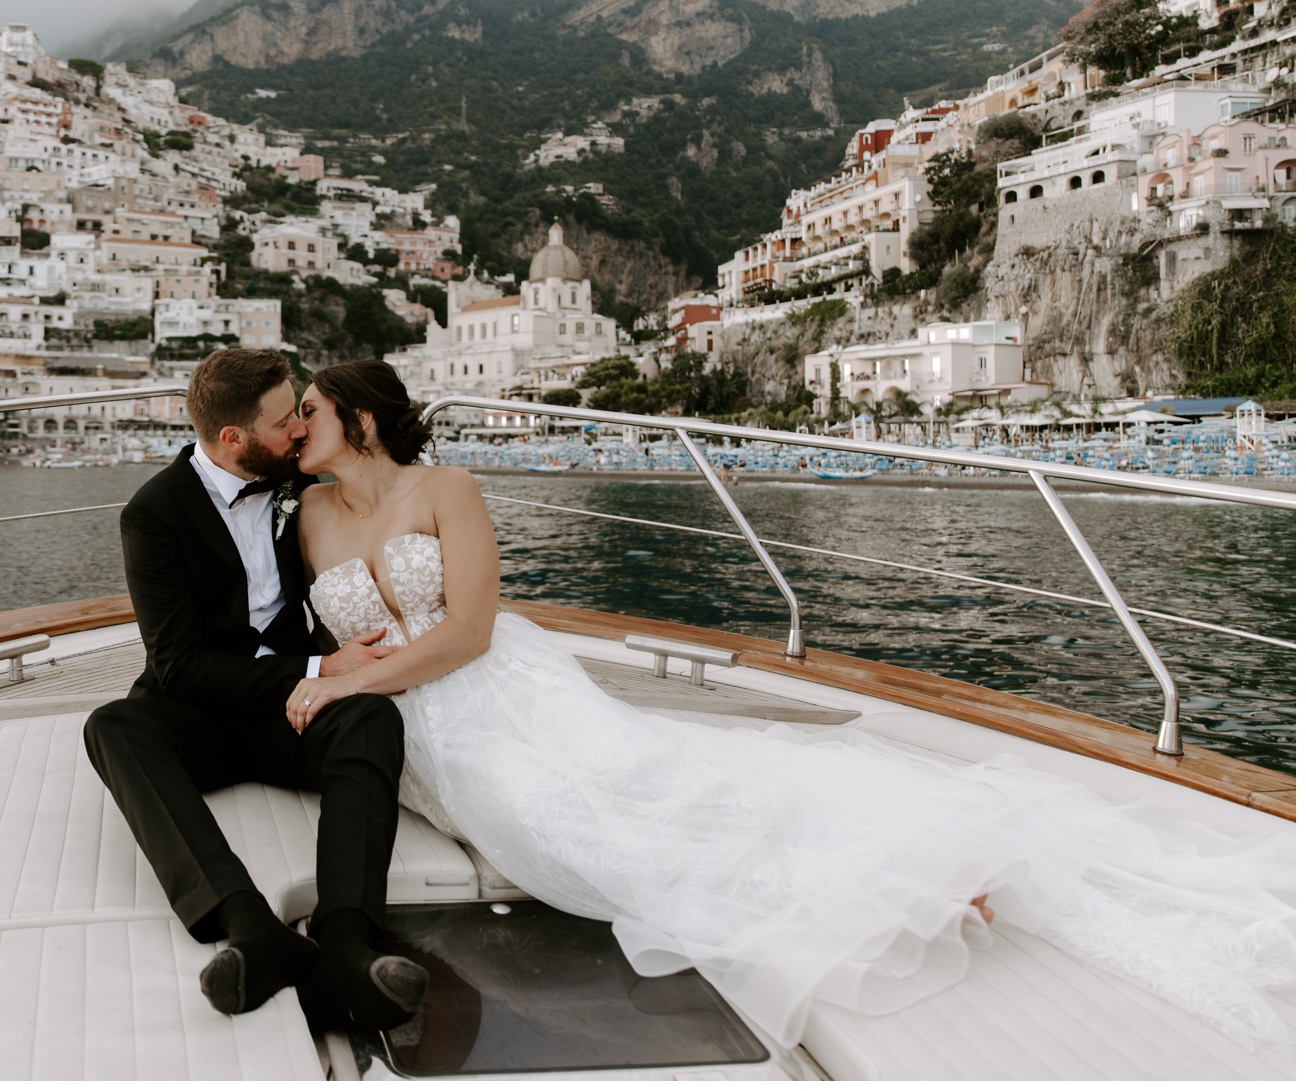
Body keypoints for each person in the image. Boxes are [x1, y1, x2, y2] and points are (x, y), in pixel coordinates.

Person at [280, 359, 1293, 1051]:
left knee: (637, 775)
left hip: (494, 681)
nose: (295, 432)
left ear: (358, 416)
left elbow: (466, 632)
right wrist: (335, 667)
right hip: (422, 725)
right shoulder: (306, 515)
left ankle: (910, 866)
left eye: (309, 415)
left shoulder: (446, 488)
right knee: (542, 823)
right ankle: (884, 872)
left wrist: (339, 681)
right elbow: (334, 630)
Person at [83, 348, 430, 1028]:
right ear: (232, 440)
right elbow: (177, 664)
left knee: (372, 720)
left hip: (289, 714)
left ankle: (346, 947)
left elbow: (375, 495)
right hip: (201, 711)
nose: (298, 430)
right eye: (283, 422)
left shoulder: (297, 483)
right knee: (112, 727)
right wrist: (317, 669)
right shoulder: (152, 515)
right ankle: (249, 925)